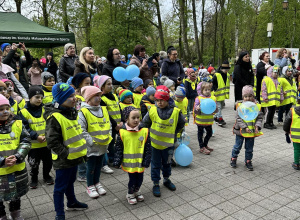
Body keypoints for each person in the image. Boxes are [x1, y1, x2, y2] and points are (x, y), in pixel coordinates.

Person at [44, 83, 88, 220]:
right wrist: (65, 154)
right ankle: (60, 213)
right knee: (60, 187)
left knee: (70, 181)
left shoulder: (70, 111)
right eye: (69, 96)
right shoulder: (54, 117)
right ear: (60, 99)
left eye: (74, 94)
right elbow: (52, 141)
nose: (74, 98)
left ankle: (71, 202)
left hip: (75, 155)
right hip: (64, 158)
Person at [141, 85, 185, 197]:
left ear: (167, 99)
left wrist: (174, 133)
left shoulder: (175, 111)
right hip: (154, 145)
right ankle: (156, 183)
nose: (159, 103)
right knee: (155, 165)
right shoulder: (152, 110)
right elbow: (145, 123)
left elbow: (181, 123)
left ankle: (166, 179)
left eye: (162, 100)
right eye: (157, 100)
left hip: (169, 145)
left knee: (167, 163)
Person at [0, 94, 31, 220]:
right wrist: (2, 161)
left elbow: (26, 140)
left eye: (7, 108)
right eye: (1, 109)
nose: (5, 111)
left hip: (17, 168)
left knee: (16, 194)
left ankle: (15, 213)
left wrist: (19, 156)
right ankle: (2, 215)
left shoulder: (17, 123)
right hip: (1, 171)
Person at [114, 106, 151, 204]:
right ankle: (130, 193)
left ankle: (137, 191)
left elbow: (148, 147)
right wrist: (117, 161)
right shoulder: (122, 132)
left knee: (140, 178)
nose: (136, 120)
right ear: (127, 119)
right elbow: (119, 148)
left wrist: (147, 160)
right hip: (129, 162)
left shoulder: (144, 131)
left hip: (140, 162)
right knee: (132, 179)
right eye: (133, 118)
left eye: (138, 117)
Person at [79, 86, 112, 198]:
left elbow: (109, 124)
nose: (99, 98)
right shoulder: (83, 112)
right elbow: (82, 130)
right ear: (88, 98)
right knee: (91, 167)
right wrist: (91, 142)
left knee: (99, 166)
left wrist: (109, 137)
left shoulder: (103, 109)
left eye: (99, 95)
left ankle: (97, 183)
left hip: (103, 145)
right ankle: (90, 186)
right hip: (91, 147)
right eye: (95, 96)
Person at [19, 86, 53, 189]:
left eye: (41, 97)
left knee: (48, 162)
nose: (40, 99)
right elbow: (24, 128)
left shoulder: (45, 109)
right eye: (37, 97)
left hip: (46, 143)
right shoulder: (23, 112)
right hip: (33, 146)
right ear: (30, 97)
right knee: (34, 164)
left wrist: (48, 135)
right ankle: (34, 178)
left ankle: (47, 176)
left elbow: (51, 123)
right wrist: (36, 136)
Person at [231, 86, 264, 170]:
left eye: (250, 96)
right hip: (241, 131)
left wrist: (257, 126)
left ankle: (248, 161)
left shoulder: (257, 106)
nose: (248, 98)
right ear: (243, 97)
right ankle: (233, 158)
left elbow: (259, 118)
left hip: (251, 131)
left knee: (249, 148)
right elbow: (238, 118)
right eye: (245, 96)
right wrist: (245, 127)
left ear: (253, 96)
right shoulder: (240, 105)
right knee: (237, 146)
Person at [98, 75, 122, 174]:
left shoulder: (115, 96)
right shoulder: (102, 99)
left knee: (119, 143)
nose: (111, 86)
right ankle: (111, 160)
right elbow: (106, 113)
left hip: (119, 124)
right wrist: (115, 124)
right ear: (102, 87)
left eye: (111, 84)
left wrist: (122, 121)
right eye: (108, 84)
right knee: (111, 143)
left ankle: (117, 158)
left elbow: (119, 108)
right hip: (111, 125)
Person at [194, 82, 217, 155]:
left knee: (209, 133)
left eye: (209, 89)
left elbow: (215, 110)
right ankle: (201, 147)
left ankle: (205, 144)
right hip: (200, 121)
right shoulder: (199, 99)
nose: (207, 91)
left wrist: (216, 109)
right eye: (205, 90)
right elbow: (195, 110)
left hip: (208, 120)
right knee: (200, 134)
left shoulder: (212, 98)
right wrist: (197, 109)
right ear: (201, 91)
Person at [283, 95, 300, 170]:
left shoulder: (292, 110)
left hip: (295, 135)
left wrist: (286, 131)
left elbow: (287, 122)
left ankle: (296, 163)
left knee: (296, 149)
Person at [212, 61, 231, 126]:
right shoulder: (217, 75)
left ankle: (216, 117)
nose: (226, 71)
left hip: (222, 95)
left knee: (220, 107)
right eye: (225, 69)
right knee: (219, 107)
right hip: (217, 94)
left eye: (227, 69)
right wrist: (214, 90)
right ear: (221, 68)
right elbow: (213, 83)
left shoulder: (228, 75)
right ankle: (220, 119)